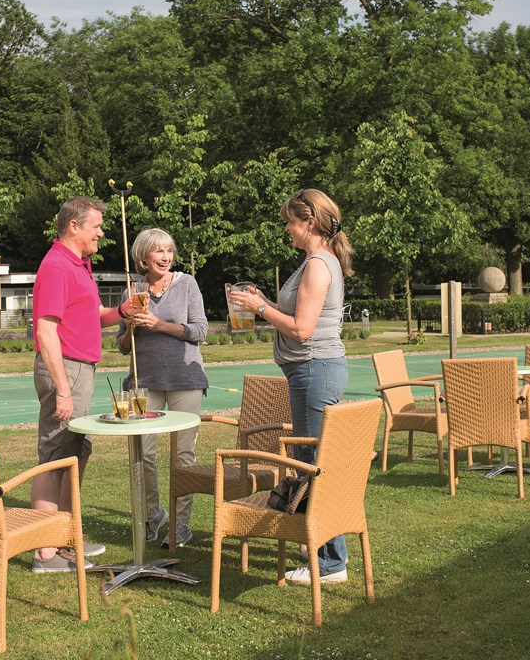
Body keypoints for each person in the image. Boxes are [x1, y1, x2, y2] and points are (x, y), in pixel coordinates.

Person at [228, 188, 354, 586]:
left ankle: (332, 562)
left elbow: (302, 330)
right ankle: (317, 547)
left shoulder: (318, 264)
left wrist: (258, 309)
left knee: (314, 464)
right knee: (308, 458)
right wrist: (266, 301)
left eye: (291, 221)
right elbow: (296, 314)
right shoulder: (313, 262)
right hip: (308, 372)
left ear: (310, 222)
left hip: (315, 369)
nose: (287, 228)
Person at [30, 196, 142, 573]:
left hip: (80, 370)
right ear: (73, 226)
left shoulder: (80, 265)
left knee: (75, 451)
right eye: (95, 225)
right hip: (66, 370)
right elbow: (46, 331)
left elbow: (93, 316)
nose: (101, 232)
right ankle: (45, 551)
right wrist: (62, 388)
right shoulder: (58, 267)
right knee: (54, 454)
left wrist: (123, 312)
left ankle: (65, 540)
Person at [116, 228, 209, 549]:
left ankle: (181, 525)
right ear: (144, 257)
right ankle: (153, 514)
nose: (166, 257)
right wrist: (129, 326)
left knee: (184, 454)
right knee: (144, 454)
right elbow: (123, 347)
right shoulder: (133, 290)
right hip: (144, 383)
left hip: (186, 382)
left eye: (169, 251)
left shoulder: (187, 285)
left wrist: (160, 325)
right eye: (158, 251)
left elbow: (200, 330)